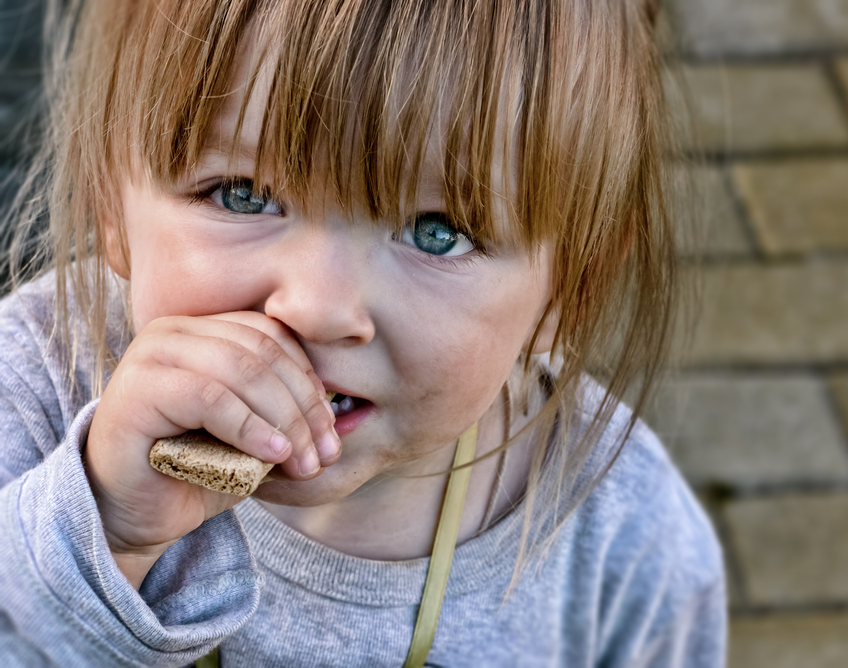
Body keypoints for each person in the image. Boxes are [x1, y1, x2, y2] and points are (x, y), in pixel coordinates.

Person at [0, 0, 725, 665]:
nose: (316, 307)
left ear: (570, 288)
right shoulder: (32, 390)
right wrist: (104, 532)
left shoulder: (627, 544)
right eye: (242, 194)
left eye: (437, 233)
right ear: (108, 202)